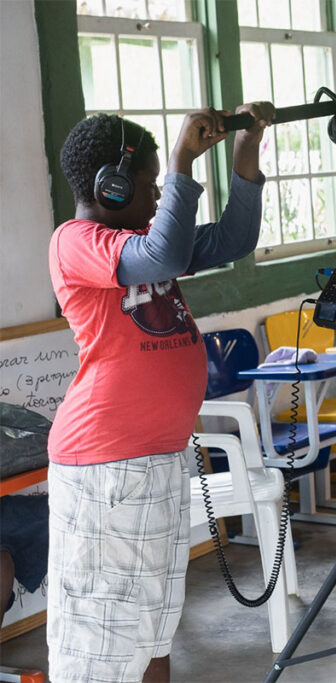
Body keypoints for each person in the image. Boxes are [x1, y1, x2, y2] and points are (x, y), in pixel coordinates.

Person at [47, 102, 273, 682]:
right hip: (108, 465)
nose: (156, 197)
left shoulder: (143, 238)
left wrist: (247, 146)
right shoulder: (77, 241)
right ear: (111, 186)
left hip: (156, 459)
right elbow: (164, 254)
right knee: (103, 645)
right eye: (148, 185)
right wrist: (179, 161)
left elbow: (234, 237)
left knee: (151, 632)